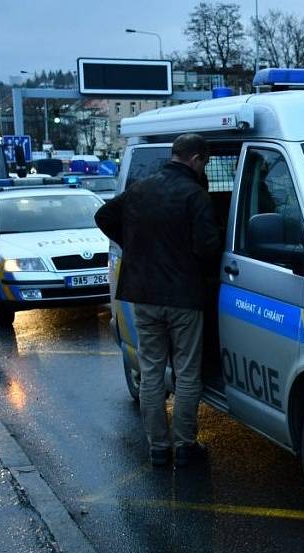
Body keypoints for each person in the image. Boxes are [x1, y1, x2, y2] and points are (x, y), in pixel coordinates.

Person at [95, 134, 221, 468]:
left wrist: (133, 246)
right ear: (195, 159)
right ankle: (185, 445)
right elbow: (209, 249)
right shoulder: (195, 196)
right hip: (184, 298)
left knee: (151, 373)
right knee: (187, 373)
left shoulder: (140, 189)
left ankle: (158, 449)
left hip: (143, 295)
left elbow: (103, 216)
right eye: (204, 163)